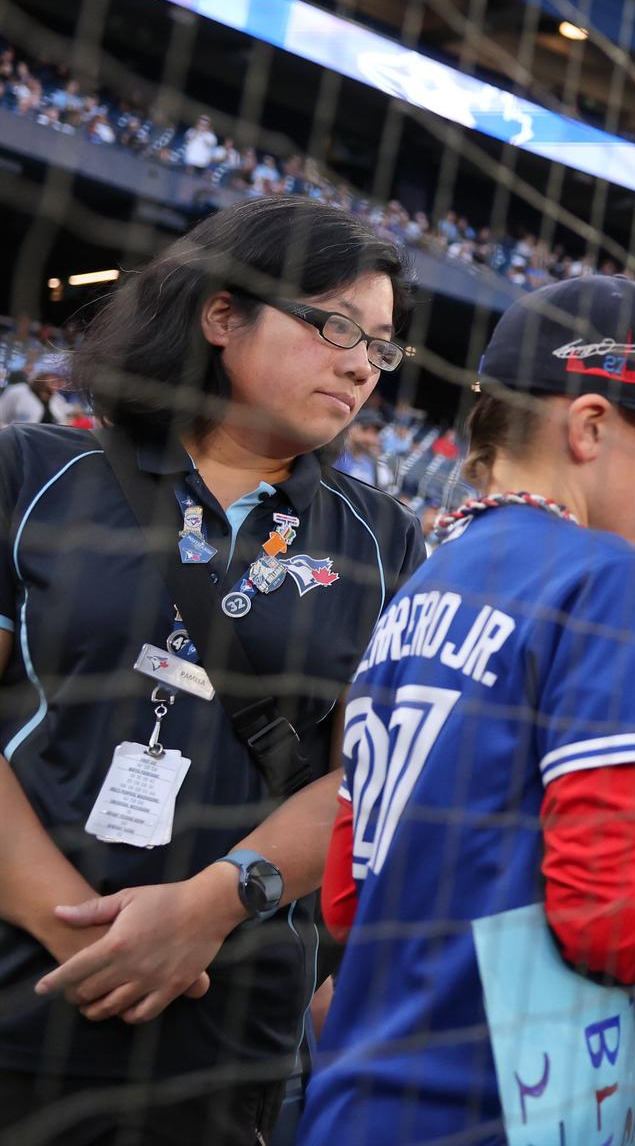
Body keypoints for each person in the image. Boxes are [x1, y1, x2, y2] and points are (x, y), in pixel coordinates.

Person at [299, 276, 635, 1142]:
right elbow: (606, 912)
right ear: (590, 427)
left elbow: (345, 899)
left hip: (354, 1099)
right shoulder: (612, 579)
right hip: (497, 1104)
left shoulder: (421, 585)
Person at [0, 196, 423, 1144]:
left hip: (225, 1030)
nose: (362, 365)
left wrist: (206, 907)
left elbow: (367, 774)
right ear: (222, 314)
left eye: (381, 346)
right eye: (336, 326)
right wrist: (78, 932)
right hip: (19, 986)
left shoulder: (384, 538)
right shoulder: (32, 474)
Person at [0, 357, 71, 428]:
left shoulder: (58, 399)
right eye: (54, 379)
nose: (58, 383)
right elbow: (1, 417)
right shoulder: (17, 391)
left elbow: (64, 417)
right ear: (41, 376)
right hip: (17, 434)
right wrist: (11, 432)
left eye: (60, 380)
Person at [331, 412, 394, 491]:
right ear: (351, 429)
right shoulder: (334, 456)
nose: (369, 438)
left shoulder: (373, 465)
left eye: (375, 433)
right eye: (365, 429)